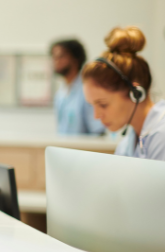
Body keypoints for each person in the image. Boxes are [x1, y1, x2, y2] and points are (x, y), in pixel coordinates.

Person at [81, 26, 164, 159]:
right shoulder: (127, 144)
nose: (96, 116)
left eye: (103, 105)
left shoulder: (162, 134)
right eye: (92, 105)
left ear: (136, 94)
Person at [51, 39, 104, 135]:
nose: (56, 61)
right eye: (54, 57)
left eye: (61, 56)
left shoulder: (87, 89)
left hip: (84, 149)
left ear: (75, 59)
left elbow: (98, 131)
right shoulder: (60, 93)